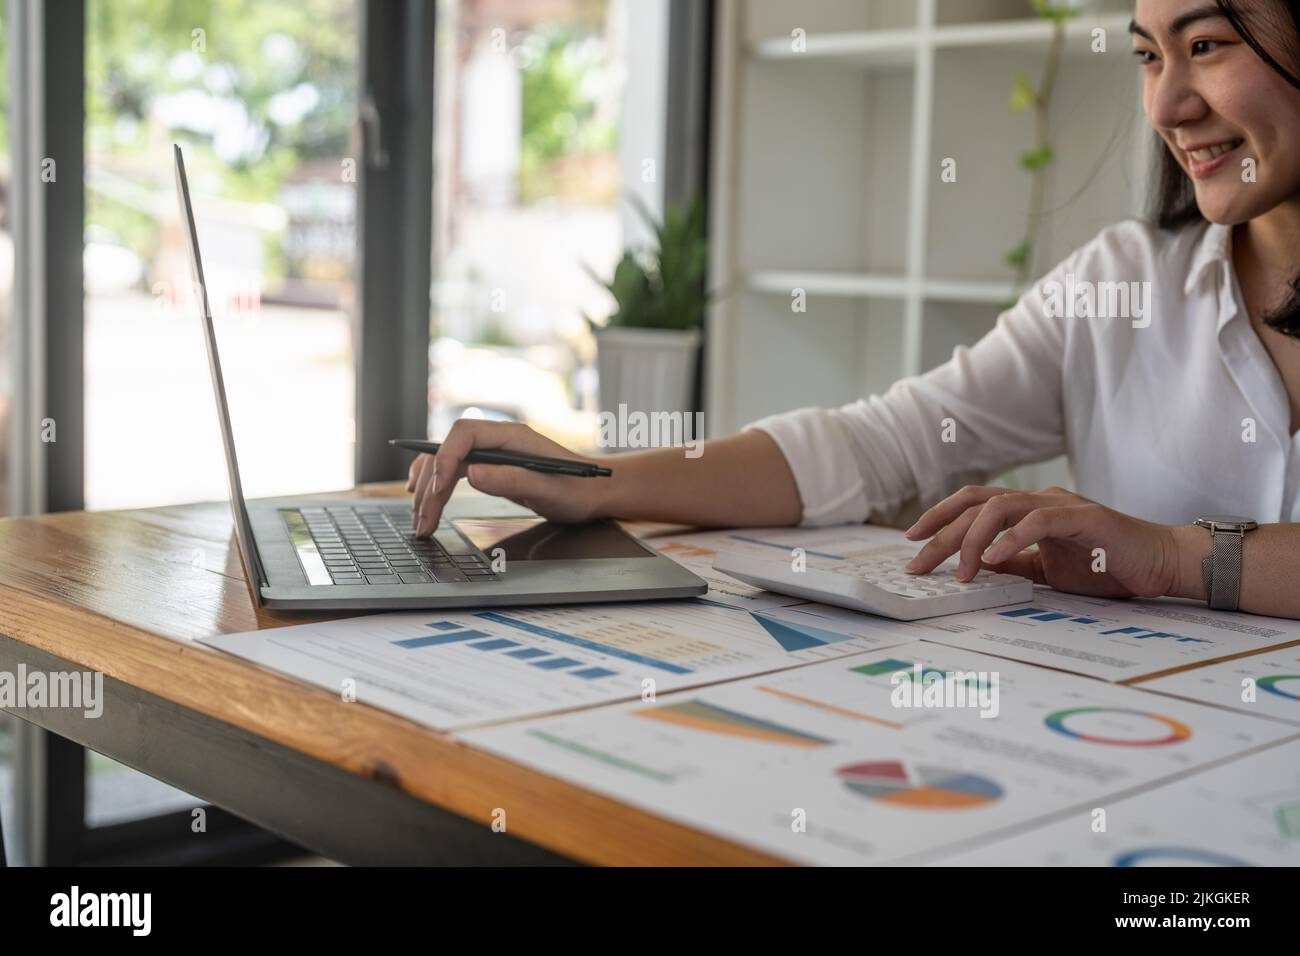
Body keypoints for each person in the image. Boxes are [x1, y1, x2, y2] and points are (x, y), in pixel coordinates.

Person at [410, 0, 1300, 620]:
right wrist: (599, 479)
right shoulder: (1123, 284)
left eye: (1209, 44)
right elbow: (877, 445)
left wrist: (1174, 557)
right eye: (1148, 55)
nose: (1167, 104)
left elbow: (1163, 556)